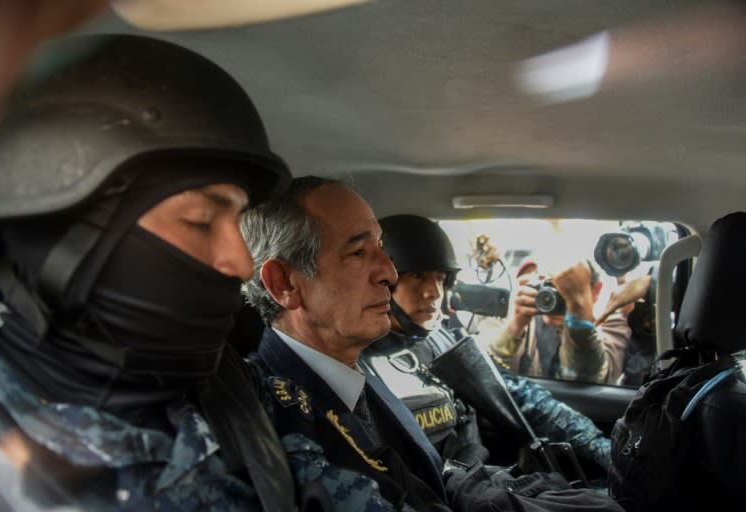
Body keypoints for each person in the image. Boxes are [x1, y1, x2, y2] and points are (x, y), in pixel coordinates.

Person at [0, 34, 394, 511]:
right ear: (58, 233)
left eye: (237, 224)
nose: (241, 264)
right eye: (201, 221)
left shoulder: (231, 386)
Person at [242, 176, 624, 512]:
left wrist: (615, 458)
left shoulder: (363, 367)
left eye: (381, 249)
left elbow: (516, 396)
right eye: (358, 252)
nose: (389, 273)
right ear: (284, 284)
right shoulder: (271, 413)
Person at [360, 214, 611, 471]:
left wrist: (602, 450)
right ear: (385, 281)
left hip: (483, 483)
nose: (433, 291)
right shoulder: (357, 360)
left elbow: (516, 395)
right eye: (417, 275)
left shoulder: (445, 340)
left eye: (439, 277)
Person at [482, 259, 630, 384]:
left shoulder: (612, 322)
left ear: (596, 291)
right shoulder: (519, 315)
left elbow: (593, 380)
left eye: (571, 289)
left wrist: (578, 318)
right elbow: (484, 370)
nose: (560, 297)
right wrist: (516, 325)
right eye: (550, 285)